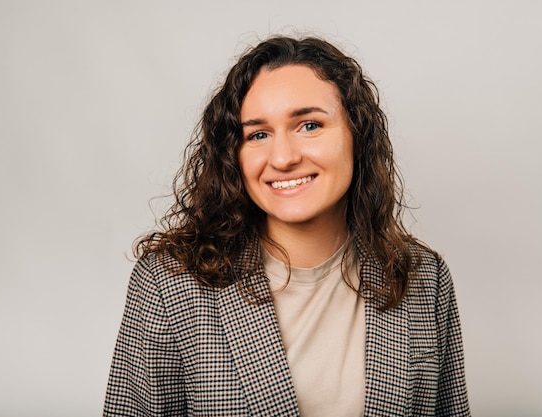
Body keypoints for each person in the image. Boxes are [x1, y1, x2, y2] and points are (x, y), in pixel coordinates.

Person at [103, 35, 469, 416]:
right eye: (258, 134)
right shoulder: (169, 284)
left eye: (309, 125)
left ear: (356, 136)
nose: (282, 158)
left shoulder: (425, 278)